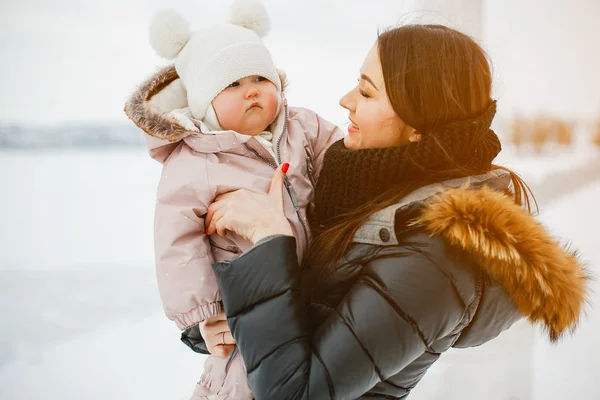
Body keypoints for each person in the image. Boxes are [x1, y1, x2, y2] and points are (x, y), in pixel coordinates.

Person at [201, 24, 590, 399]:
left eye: (367, 93)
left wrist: (270, 240)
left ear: (418, 127)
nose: (346, 100)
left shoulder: (435, 258)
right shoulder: (365, 193)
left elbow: (296, 391)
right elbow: (300, 316)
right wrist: (225, 324)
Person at [123, 1, 343, 398]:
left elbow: (345, 159)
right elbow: (176, 242)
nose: (252, 91)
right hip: (242, 302)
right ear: (205, 102)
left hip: (312, 287)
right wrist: (203, 314)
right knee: (241, 377)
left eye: (261, 77)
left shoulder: (304, 127)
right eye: (233, 85)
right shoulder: (195, 159)